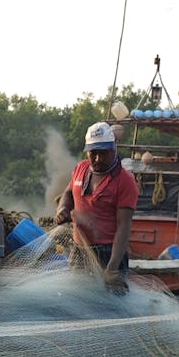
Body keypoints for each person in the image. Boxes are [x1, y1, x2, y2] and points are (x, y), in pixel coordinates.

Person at [54, 122, 138, 293]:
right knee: (78, 301)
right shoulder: (81, 168)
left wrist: (112, 268)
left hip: (108, 253)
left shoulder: (125, 182)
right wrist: (62, 209)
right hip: (79, 250)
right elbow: (69, 193)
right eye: (93, 153)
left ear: (113, 148)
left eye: (103, 153)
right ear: (87, 151)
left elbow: (123, 228)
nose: (98, 158)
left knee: (111, 307)